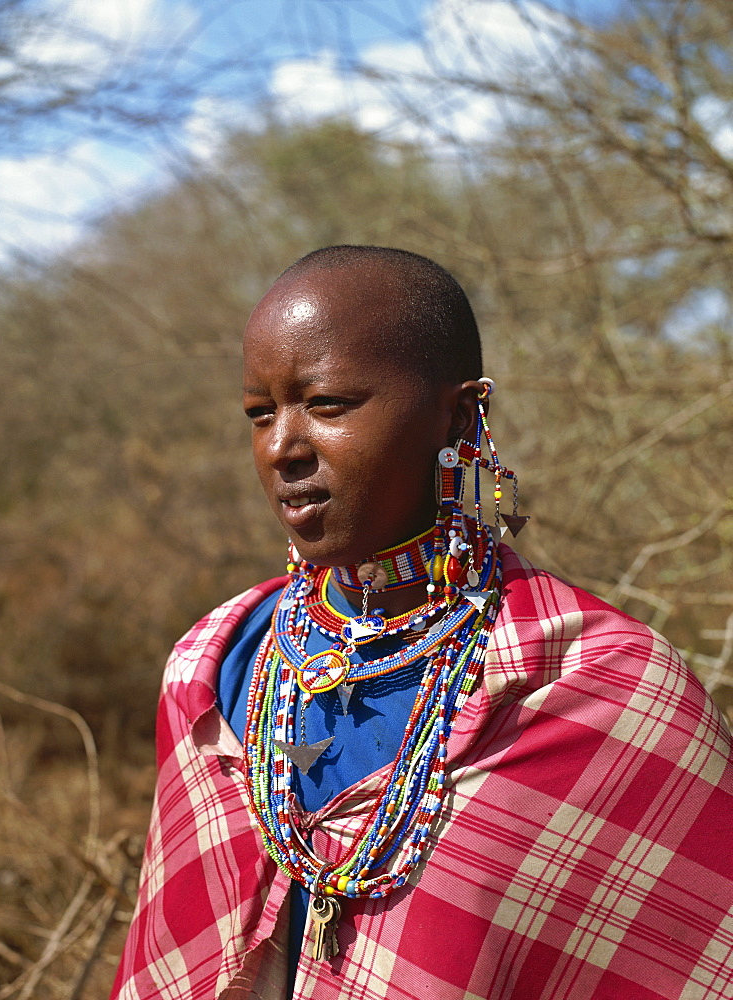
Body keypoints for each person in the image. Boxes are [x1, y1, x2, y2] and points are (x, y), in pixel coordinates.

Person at [111, 246, 733, 1000]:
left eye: (329, 404)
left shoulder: (599, 684)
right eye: (259, 413)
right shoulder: (214, 669)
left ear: (462, 411)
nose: (283, 447)